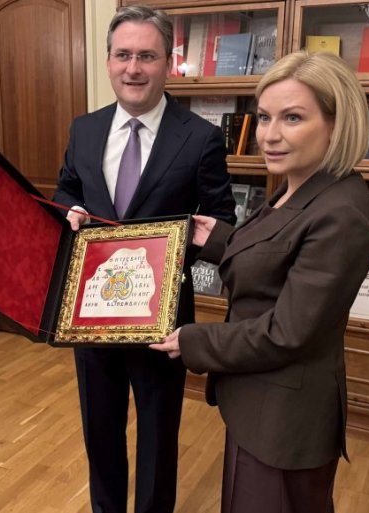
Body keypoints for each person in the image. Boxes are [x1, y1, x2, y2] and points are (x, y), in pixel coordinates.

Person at [151, 51, 369, 512]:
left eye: (292, 118)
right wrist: (221, 240)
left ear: (336, 124)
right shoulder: (300, 184)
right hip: (257, 405)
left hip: (285, 421)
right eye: (264, 117)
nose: (269, 135)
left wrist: (194, 340)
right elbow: (281, 256)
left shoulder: (341, 212)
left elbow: (287, 332)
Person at [52, 6, 236, 512]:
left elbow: (221, 218)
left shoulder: (199, 137)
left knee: (157, 435)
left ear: (167, 63)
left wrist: (177, 246)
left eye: (147, 56)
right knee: (99, 430)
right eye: (123, 55)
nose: (133, 68)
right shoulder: (85, 129)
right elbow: (68, 189)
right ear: (108, 61)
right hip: (91, 313)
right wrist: (69, 210)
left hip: (162, 319)